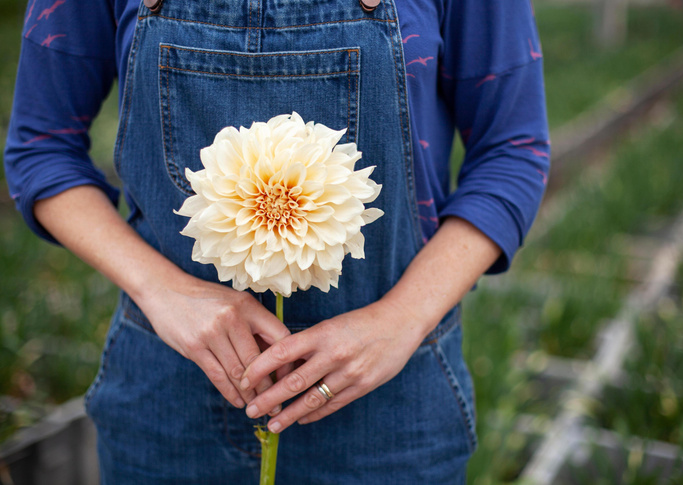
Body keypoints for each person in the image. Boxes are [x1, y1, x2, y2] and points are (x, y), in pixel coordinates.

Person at [4, 0, 549, 482]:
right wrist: (162, 290)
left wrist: (399, 321)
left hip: (390, 411)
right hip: (166, 407)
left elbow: (511, 151)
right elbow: (40, 150)